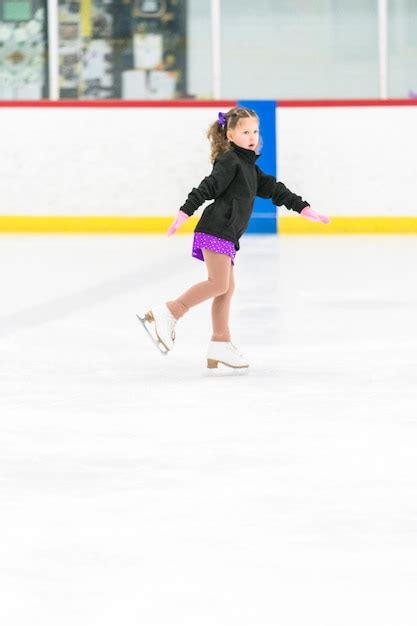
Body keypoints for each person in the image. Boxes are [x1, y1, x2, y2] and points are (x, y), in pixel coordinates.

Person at [138, 106, 330, 369]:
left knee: (226, 287)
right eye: (245, 131)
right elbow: (208, 186)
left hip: (226, 233)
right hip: (216, 228)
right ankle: (170, 312)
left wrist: (304, 208)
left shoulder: (250, 167)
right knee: (218, 284)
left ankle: (220, 343)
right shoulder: (230, 162)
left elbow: (276, 190)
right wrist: (185, 212)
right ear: (229, 135)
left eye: (255, 131)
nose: (252, 136)